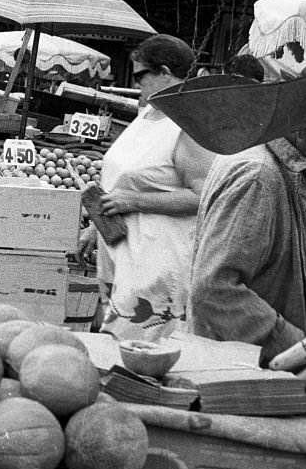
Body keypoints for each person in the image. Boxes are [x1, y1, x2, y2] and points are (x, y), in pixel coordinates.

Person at [80, 34, 217, 340]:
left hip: (156, 258)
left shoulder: (188, 126)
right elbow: (121, 179)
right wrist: (97, 226)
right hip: (122, 250)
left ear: (165, 72)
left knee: (139, 348)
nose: (137, 83)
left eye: (141, 75)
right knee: (117, 342)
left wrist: (136, 201)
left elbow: (204, 195)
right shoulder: (149, 115)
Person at [189, 125, 306, 364]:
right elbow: (214, 290)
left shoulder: (281, 168)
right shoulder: (257, 176)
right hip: (242, 371)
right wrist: (295, 347)